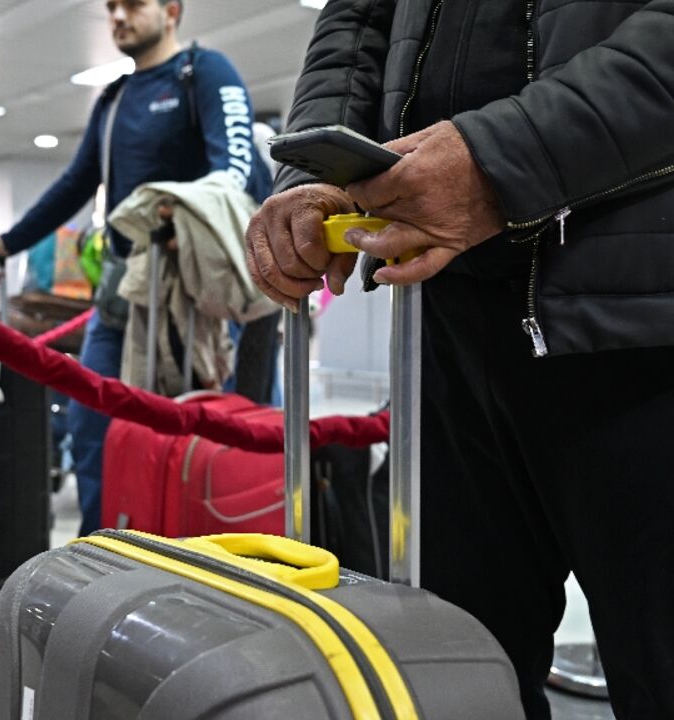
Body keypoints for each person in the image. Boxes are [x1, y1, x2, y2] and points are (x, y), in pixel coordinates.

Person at [245, 3, 674, 719]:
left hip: (644, 311)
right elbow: (358, 20)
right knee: (452, 681)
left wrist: (499, 159)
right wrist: (317, 172)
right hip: (443, 316)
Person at [0, 0, 273, 536]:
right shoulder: (114, 99)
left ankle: (193, 561)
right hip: (119, 290)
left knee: (192, 438)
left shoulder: (205, 74)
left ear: (172, 11)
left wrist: (178, 210)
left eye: (133, 4)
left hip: (190, 296)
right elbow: (75, 183)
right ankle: (105, 555)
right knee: (91, 430)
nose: (118, 15)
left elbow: (232, 168)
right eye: (111, 7)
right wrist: (6, 242)